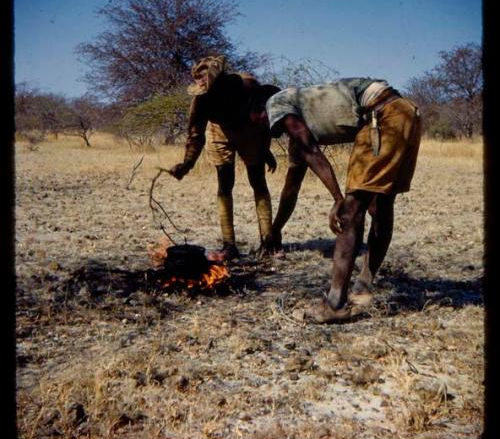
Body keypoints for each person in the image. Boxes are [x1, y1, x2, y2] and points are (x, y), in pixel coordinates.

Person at [252, 78, 421, 322]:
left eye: (255, 123)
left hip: (383, 117)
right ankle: (363, 288)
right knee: (381, 203)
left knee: (351, 211)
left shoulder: (275, 103)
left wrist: (338, 199)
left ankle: (335, 303)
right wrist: (275, 231)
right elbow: (292, 187)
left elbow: (311, 152)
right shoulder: (297, 122)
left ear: (258, 110)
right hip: (405, 112)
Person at [168, 55, 280, 260]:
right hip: (219, 132)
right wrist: (187, 164)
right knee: (225, 184)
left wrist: (264, 150)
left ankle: (268, 241)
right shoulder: (201, 101)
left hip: (249, 129)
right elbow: (195, 135)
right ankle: (229, 245)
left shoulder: (247, 85)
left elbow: (262, 119)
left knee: (258, 180)